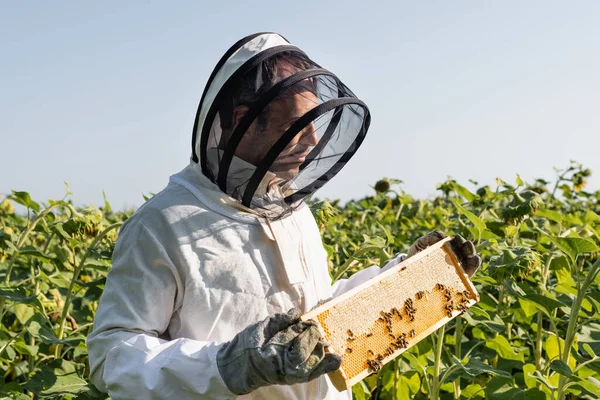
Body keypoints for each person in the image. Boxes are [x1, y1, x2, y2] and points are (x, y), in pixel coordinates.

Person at [87, 32, 481, 400]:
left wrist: (408, 278)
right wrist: (227, 365)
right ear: (242, 120)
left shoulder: (290, 209)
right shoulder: (162, 223)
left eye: (315, 124)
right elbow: (112, 357)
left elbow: (323, 316)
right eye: (297, 125)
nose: (313, 141)